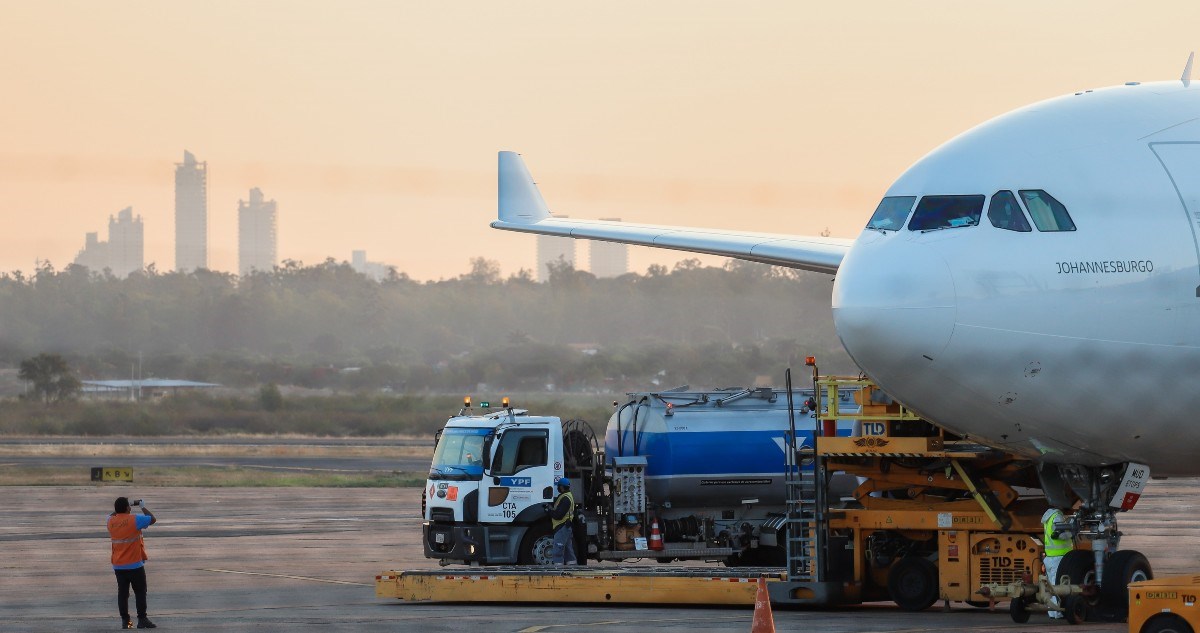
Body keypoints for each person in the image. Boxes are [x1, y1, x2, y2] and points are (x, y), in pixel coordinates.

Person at [108, 497, 157, 629]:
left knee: (123, 594)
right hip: (134, 564)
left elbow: (112, 514)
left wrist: (122, 506)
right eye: (128, 506)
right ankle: (142, 619)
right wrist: (142, 506)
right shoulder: (134, 519)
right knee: (140, 592)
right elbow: (152, 519)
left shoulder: (110, 521)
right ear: (127, 508)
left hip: (118, 565)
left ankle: (126, 622)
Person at [1042, 506, 1075, 620]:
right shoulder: (1057, 517)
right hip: (1059, 557)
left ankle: (1052, 613)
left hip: (1050, 556)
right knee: (1058, 586)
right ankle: (1057, 612)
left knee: (1051, 585)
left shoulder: (1048, 517)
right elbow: (1061, 534)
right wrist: (1072, 532)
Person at [550, 478, 577, 565]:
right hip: (566, 526)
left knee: (557, 551)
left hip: (562, 526)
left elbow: (558, 515)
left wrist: (548, 511)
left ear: (561, 487)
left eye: (558, 486)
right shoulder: (567, 496)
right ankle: (572, 568)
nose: (557, 488)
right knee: (568, 551)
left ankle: (557, 570)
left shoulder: (565, 498)